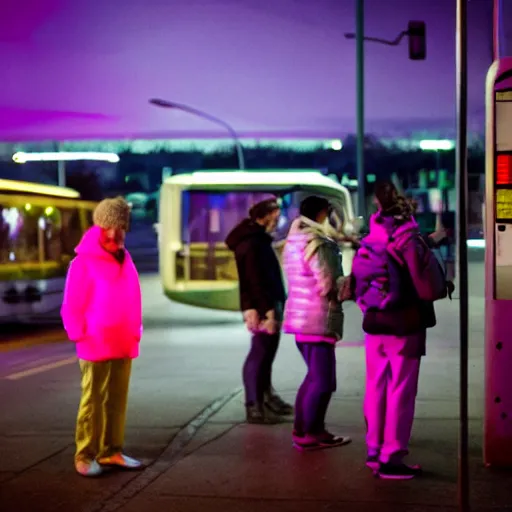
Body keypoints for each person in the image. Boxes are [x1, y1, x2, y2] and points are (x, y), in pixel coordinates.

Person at [351, 181, 450, 479]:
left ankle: (374, 449)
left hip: (376, 323)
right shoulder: (409, 239)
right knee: (401, 390)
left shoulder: (371, 240)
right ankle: (392, 457)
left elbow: (359, 283)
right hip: (404, 324)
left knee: (376, 385)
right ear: (407, 214)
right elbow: (426, 288)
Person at [61, 197, 143, 477]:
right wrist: (79, 333)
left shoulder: (125, 258)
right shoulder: (83, 262)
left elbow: (133, 297)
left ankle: (111, 451)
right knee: (92, 401)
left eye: (121, 227)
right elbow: (72, 303)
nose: (116, 232)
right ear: (101, 226)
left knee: (116, 401)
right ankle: (85, 455)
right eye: (112, 225)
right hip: (95, 342)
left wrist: (135, 330)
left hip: (123, 340)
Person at [282, 196, 352, 451]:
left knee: (314, 378)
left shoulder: (295, 239)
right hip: (318, 319)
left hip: (302, 319)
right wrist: (354, 284)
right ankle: (310, 433)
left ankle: (306, 430)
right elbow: (329, 285)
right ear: (322, 213)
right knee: (323, 381)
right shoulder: (318, 243)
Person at [225, 198, 293, 424]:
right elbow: (254, 280)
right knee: (259, 353)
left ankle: (264, 398)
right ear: (264, 216)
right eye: (275, 216)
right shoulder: (252, 243)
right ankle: (254, 404)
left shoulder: (257, 240)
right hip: (264, 305)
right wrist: (266, 310)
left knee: (265, 353)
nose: (277, 221)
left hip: (267, 303)